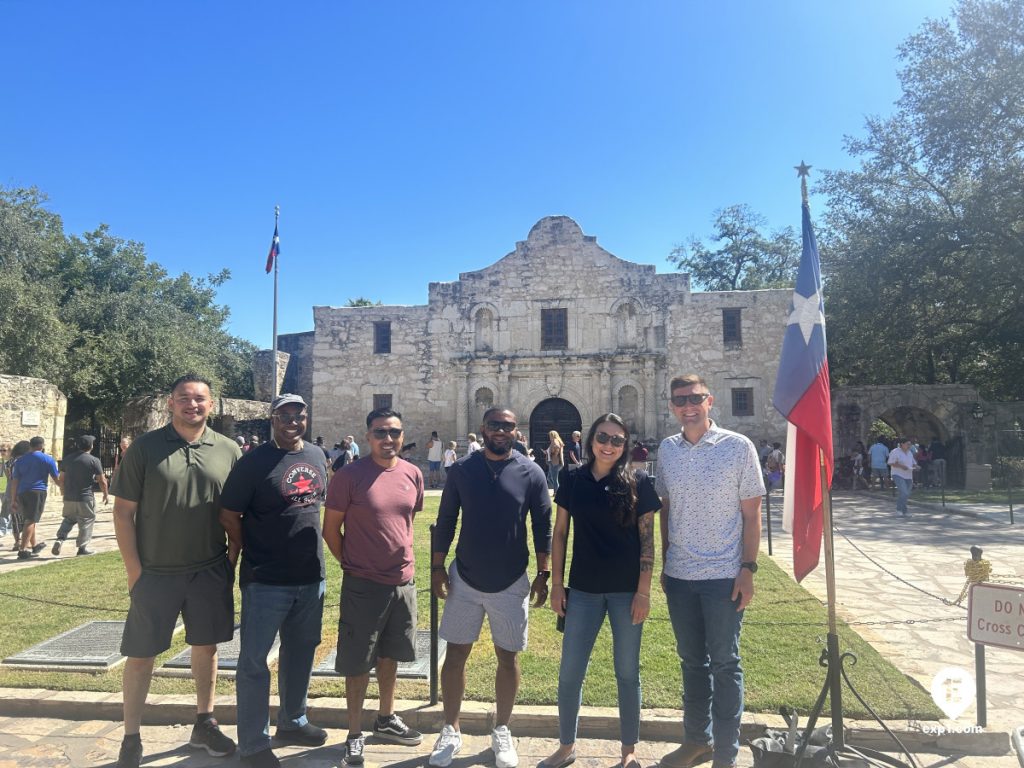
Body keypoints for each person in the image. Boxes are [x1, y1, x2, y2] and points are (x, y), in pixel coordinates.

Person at [110, 374, 242, 768]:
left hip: (208, 570)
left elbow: (236, 512)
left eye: (200, 399)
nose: (192, 405)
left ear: (211, 405)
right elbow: (122, 511)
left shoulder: (229, 449)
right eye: (184, 398)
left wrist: (230, 561)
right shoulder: (146, 449)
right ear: (171, 403)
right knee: (141, 654)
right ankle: (131, 736)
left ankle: (204, 721)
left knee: (206, 648)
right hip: (156, 573)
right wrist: (135, 571)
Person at [429, 407, 552, 768]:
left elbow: (543, 525)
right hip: (465, 578)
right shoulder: (462, 470)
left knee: (508, 657)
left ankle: (502, 728)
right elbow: (447, 518)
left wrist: (543, 573)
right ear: (483, 428)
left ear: (517, 431)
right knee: (455, 656)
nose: (501, 431)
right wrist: (437, 566)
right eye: (495, 425)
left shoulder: (531, 472)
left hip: (511, 579)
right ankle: (450, 727)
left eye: (508, 426)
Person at [656, 374, 765, 768]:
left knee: (724, 662)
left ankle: (726, 752)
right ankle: (696, 740)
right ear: (672, 406)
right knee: (691, 662)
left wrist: (747, 569)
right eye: (680, 399)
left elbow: (752, 516)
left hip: (723, 574)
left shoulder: (738, 447)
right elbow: (666, 509)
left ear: (710, 401)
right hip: (681, 575)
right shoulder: (667, 450)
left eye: (695, 398)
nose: (688, 405)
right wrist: (666, 561)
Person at [542, 414, 660, 768]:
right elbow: (560, 533)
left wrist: (644, 591)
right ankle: (566, 746)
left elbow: (647, 540)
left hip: (626, 591)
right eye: (603, 437)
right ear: (592, 440)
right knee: (570, 672)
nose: (609, 445)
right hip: (583, 590)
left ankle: (628, 751)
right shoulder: (572, 479)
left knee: (627, 671)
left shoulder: (638, 480)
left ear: (625, 446)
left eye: (617, 440)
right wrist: (557, 585)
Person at [219, 394, 329, 768]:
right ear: (272, 419)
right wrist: (251, 546)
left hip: (310, 575)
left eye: (298, 415)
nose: (292, 421)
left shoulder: (315, 456)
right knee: (253, 662)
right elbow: (229, 513)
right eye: (284, 415)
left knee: (300, 652)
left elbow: (315, 505)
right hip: (265, 578)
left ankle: (293, 721)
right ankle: (252, 744)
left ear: (306, 418)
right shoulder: (253, 463)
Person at [323, 408, 425, 765]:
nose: (388, 439)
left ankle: (385, 718)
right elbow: (330, 530)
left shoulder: (412, 473)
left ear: (402, 436)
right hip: (363, 583)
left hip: (402, 581)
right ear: (367, 436)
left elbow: (407, 521)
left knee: (390, 654)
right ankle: (353, 733)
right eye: (380, 432)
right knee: (357, 660)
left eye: (394, 432)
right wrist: (351, 564)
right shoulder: (349, 476)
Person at [52, 435, 109, 556]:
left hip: (69, 497)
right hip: (85, 497)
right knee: (87, 521)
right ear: (91, 446)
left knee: (69, 519)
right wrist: (105, 494)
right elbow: (102, 480)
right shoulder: (94, 460)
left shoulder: (67, 459)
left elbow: (61, 479)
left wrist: (63, 493)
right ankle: (82, 548)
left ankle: (60, 539)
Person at [10, 436, 60, 560]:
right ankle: (23, 550)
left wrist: (13, 499)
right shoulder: (47, 459)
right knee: (31, 520)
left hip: (22, 492)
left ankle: (35, 545)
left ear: (30, 446)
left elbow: (15, 481)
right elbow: (57, 479)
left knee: (30, 518)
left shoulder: (20, 461)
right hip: (37, 491)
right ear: (42, 446)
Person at [3, 441, 31, 550]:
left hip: (10, 491)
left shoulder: (9, 462)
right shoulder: (24, 461)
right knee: (26, 517)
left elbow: (9, 477)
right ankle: (25, 542)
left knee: (14, 517)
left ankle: (17, 541)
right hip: (21, 490)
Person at [888, 438, 918, 518]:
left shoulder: (910, 453)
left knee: (906, 494)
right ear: (902, 444)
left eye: (910, 444)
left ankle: (904, 510)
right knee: (904, 492)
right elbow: (890, 462)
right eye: (907, 444)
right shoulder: (895, 452)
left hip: (908, 475)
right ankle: (899, 510)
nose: (909, 446)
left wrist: (916, 466)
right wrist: (901, 466)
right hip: (898, 474)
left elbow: (913, 463)